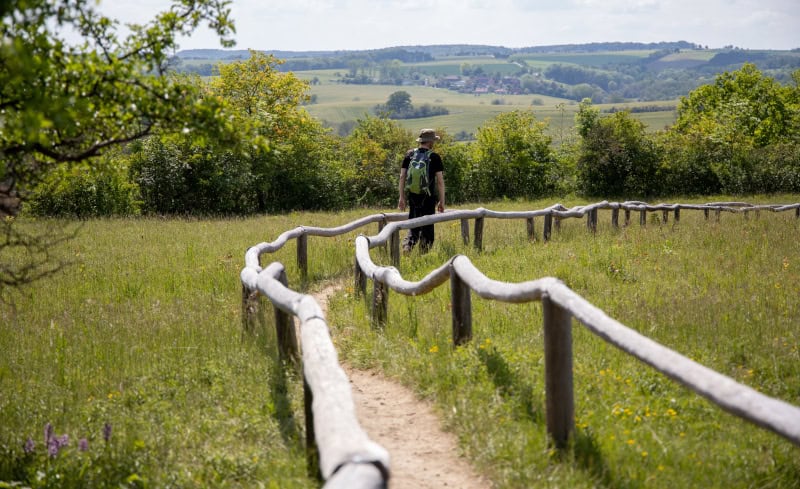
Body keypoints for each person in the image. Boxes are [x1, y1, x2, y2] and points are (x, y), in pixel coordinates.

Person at [398, 128, 445, 253]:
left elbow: (402, 176)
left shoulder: (409, 154)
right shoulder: (434, 157)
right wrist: (442, 201)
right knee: (428, 228)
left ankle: (408, 246)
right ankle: (422, 257)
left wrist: (401, 197)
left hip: (413, 196)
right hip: (428, 197)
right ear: (430, 142)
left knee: (413, 225)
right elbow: (440, 182)